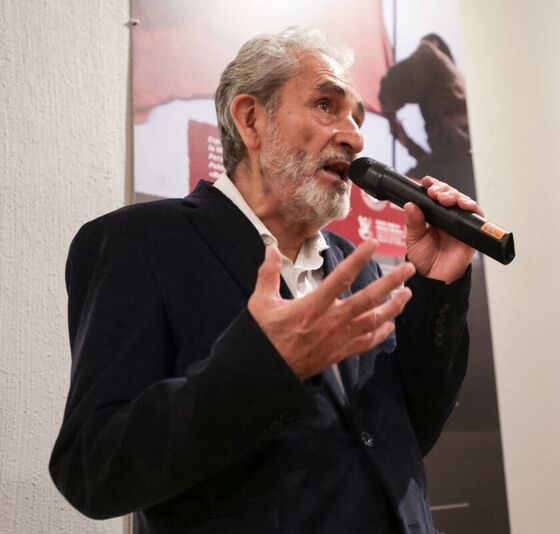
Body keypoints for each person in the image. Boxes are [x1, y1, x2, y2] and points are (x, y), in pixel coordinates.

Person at [49, 28, 480, 534]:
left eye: (357, 118)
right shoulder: (138, 245)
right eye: (326, 105)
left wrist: (436, 287)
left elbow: (400, 438)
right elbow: (94, 469)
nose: (355, 136)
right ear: (251, 119)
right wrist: (264, 366)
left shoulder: (353, 265)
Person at [379, 34, 475, 199]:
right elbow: (438, 160)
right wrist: (408, 142)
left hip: (454, 154)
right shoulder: (454, 76)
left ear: (434, 42)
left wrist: (387, 109)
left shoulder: (429, 51)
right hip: (463, 159)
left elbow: (394, 85)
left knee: (398, 193)